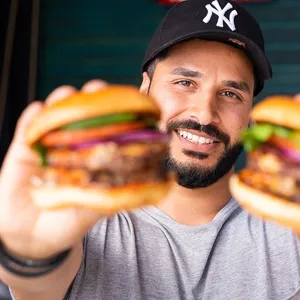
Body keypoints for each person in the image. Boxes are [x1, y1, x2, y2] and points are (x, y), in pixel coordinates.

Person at [0, 0, 299, 299]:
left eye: (230, 93)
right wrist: (29, 257)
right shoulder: (79, 214)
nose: (205, 114)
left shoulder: (290, 225)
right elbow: (40, 284)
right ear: (145, 88)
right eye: (185, 82)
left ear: (250, 113)